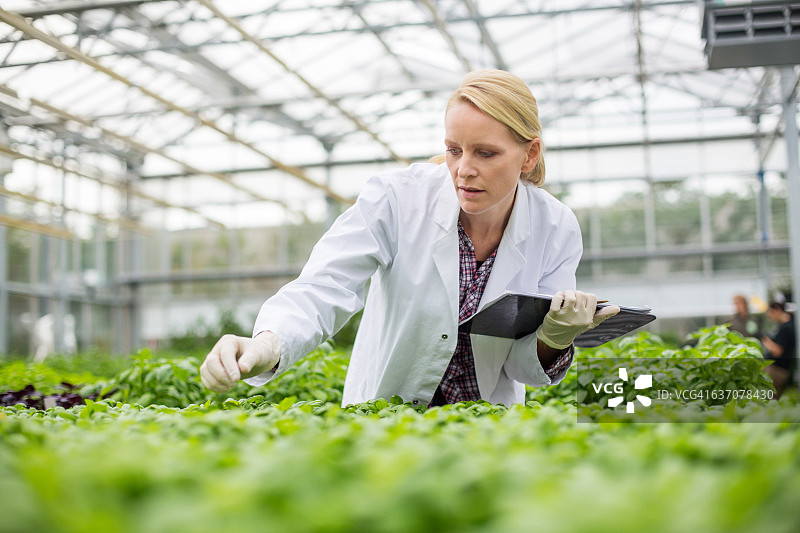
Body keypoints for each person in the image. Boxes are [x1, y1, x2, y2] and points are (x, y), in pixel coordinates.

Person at [200, 70, 619, 407]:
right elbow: (325, 287)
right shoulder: (396, 198)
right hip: (386, 417)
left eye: (485, 153)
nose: (463, 170)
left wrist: (555, 337)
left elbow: (523, 368)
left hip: (487, 427)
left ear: (529, 154)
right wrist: (265, 344)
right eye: (454, 150)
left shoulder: (555, 227)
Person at [762, 301, 796, 399]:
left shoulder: (786, 328)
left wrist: (767, 342)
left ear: (778, 309)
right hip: (780, 370)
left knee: (769, 400)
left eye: (771, 312)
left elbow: (777, 351)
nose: (770, 316)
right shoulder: (787, 325)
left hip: (778, 371)